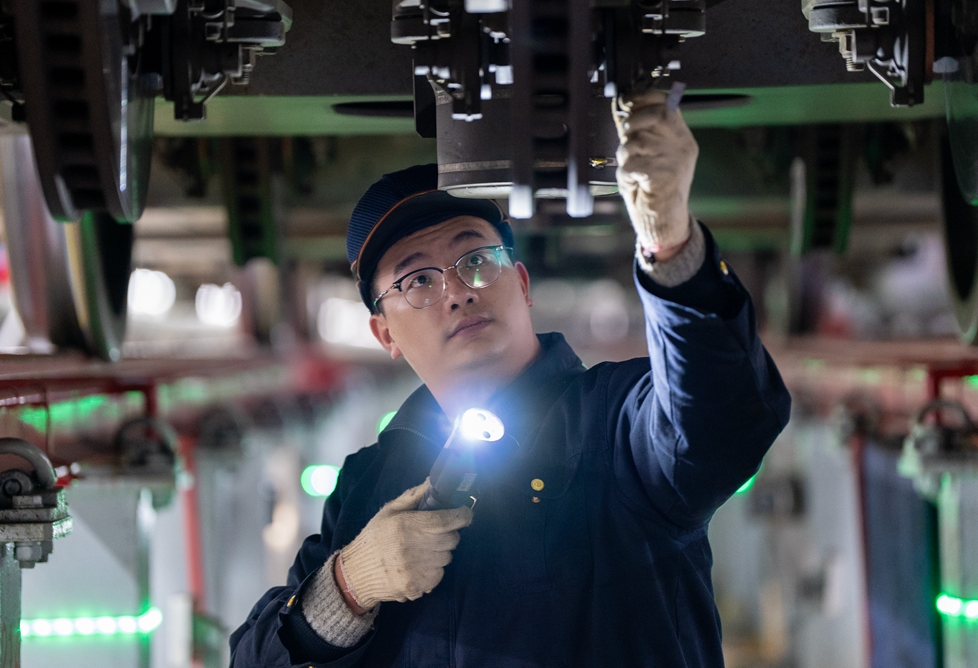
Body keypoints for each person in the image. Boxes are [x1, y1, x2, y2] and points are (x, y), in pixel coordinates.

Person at [230, 91, 791, 668]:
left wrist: (672, 249)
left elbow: (723, 420)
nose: (458, 290)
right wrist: (350, 587)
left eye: (476, 260)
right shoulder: (368, 485)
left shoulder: (618, 423)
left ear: (520, 283)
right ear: (384, 334)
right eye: (417, 280)